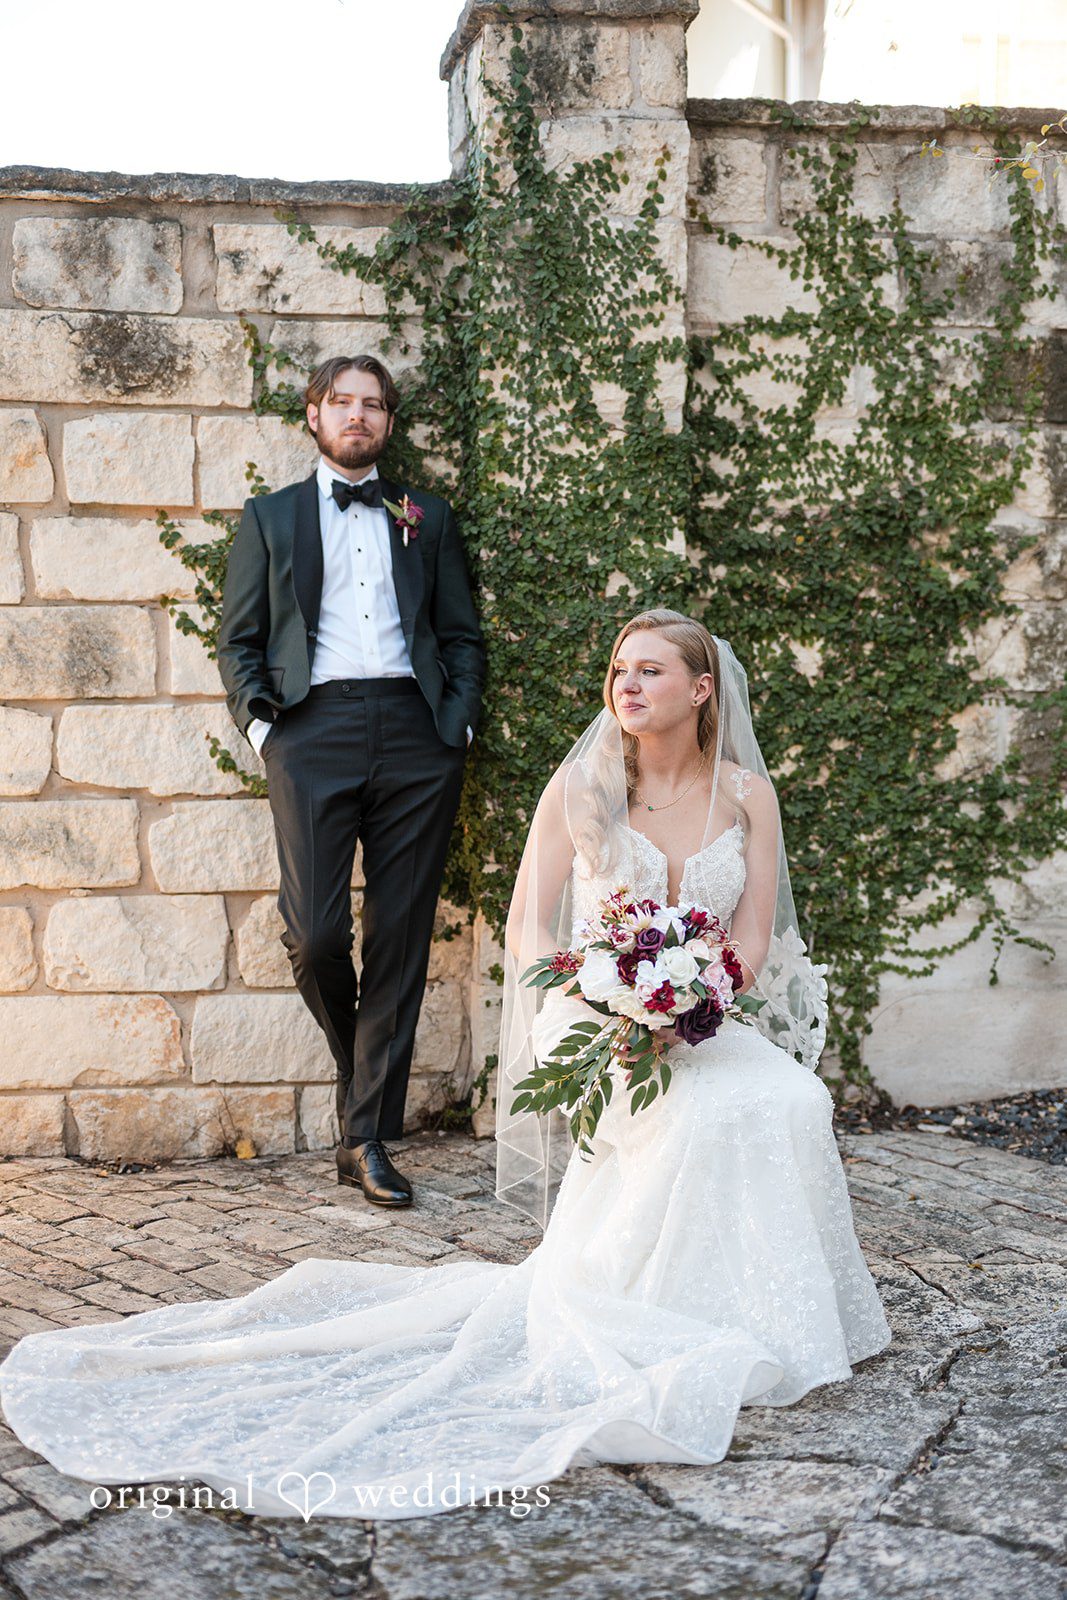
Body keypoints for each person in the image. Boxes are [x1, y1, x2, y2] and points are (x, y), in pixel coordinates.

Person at [0, 613, 891, 1521]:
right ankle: (642, 1299)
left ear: (701, 690)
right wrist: (606, 1000)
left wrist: (688, 1005)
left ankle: (755, 1311)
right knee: (691, 1118)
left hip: (697, 1016)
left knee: (786, 1096)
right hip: (588, 1013)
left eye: (649, 672)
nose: (625, 685)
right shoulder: (581, 788)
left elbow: (746, 937)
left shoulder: (745, 795)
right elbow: (534, 930)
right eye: (618, 669)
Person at [215, 354, 485, 1206]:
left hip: (416, 733)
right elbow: (239, 638)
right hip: (312, 730)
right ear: (313, 415)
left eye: (373, 406)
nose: (358, 417)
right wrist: (265, 729)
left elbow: (461, 634)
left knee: (400, 938)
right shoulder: (271, 516)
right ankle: (364, 1073)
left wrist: (457, 724)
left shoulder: (426, 518)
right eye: (343, 403)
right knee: (317, 936)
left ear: (389, 424)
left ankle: (365, 1136)